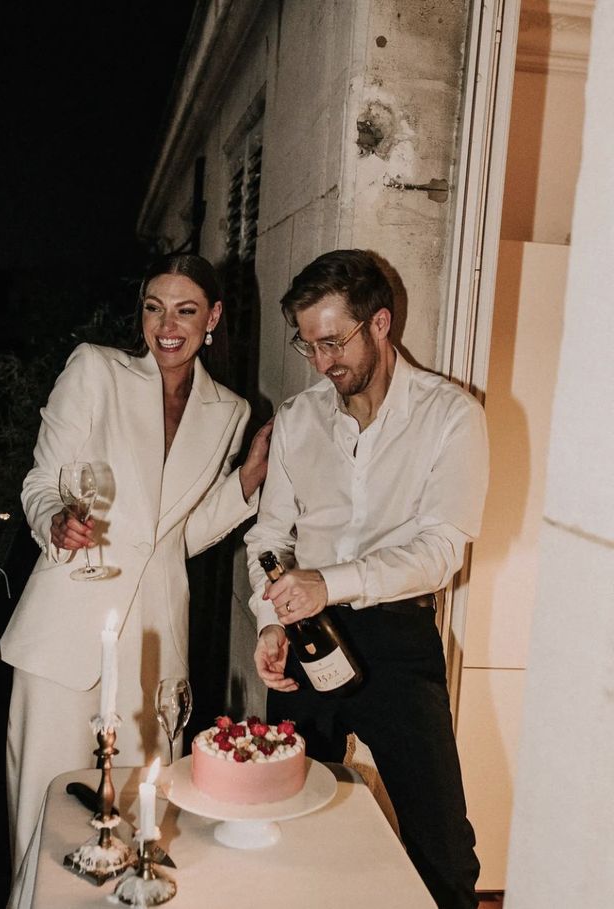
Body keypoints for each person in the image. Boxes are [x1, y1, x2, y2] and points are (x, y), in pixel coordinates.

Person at [1, 253, 272, 876]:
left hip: (153, 642)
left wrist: (247, 481)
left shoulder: (229, 411)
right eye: (154, 308)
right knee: (41, 821)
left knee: (135, 816)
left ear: (213, 317)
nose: (167, 325)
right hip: (65, 631)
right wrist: (53, 521)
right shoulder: (96, 370)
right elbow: (43, 479)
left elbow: (177, 535)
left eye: (186, 310)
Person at [245, 249, 488, 909]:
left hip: (398, 642)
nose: (322, 362)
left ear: (380, 323)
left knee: (444, 851)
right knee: (286, 825)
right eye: (309, 345)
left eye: (333, 341)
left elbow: (441, 550)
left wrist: (332, 580)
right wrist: (270, 622)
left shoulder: (453, 416)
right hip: (301, 635)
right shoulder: (298, 418)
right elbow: (268, 538)